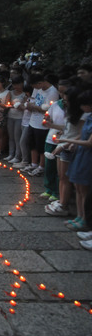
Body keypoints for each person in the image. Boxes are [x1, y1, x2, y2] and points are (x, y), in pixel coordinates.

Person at [45, 86, 86, 216]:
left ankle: (64, 204)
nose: (64, 101)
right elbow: (68, 127)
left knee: (67, 178)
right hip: (62, 143)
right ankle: (61, 200)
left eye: (67, 100)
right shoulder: (70, 112)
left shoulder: (83, 115)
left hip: (70, 147)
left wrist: (64, 145)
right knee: (61, 176)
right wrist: (52, 126)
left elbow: (81, 133)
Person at [59, 89, 92, 234]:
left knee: (84, 188)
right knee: (77, 186)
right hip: (80, 153)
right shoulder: (89, 116)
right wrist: (70, 143)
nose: (80, 107)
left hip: (88, 156)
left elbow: (89, 142)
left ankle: (85, 219)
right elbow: (81, 135)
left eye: (83, 104)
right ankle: (79, 216)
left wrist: (66, 140)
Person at [23, 73, 60, 176]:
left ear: (40, 83)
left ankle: (41, 167)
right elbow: (34, 100)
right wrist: (29, 105)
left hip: (42, 123)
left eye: (35, 86)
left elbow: (49, 109)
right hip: (33, 120)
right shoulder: (37, 89)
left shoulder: (52, 92)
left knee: (41, 147)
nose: (35, 88)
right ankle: (34, 164)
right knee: (32, 144)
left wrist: (34, 107)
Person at [6, 76, 26, 163]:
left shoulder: (24, 94)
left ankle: (18, 156)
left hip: (19, 117)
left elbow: (25, 106)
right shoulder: (11, 93)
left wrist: (19, 105)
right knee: (11, 136)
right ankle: (11, 154)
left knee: (17, 136)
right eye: (14, 85)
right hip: (10, 116)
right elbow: (7, 103)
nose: (16, 87)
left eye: (17, 85)